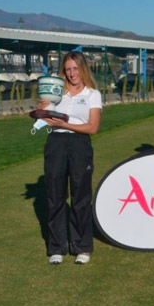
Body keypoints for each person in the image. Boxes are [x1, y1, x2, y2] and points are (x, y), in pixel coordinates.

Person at [41, 51, 102, 265]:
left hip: (80, 144)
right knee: (55, 195)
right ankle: (57, 247)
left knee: (80, 196)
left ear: (82, 68)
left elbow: (93, 127)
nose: (71, 73)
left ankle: (82, 246)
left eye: (75, 68)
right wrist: (42, 109)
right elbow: (44, 118)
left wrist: (65, 124)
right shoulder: (57, 93)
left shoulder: (92, 94)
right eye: (67, 69)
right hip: (56, 144)